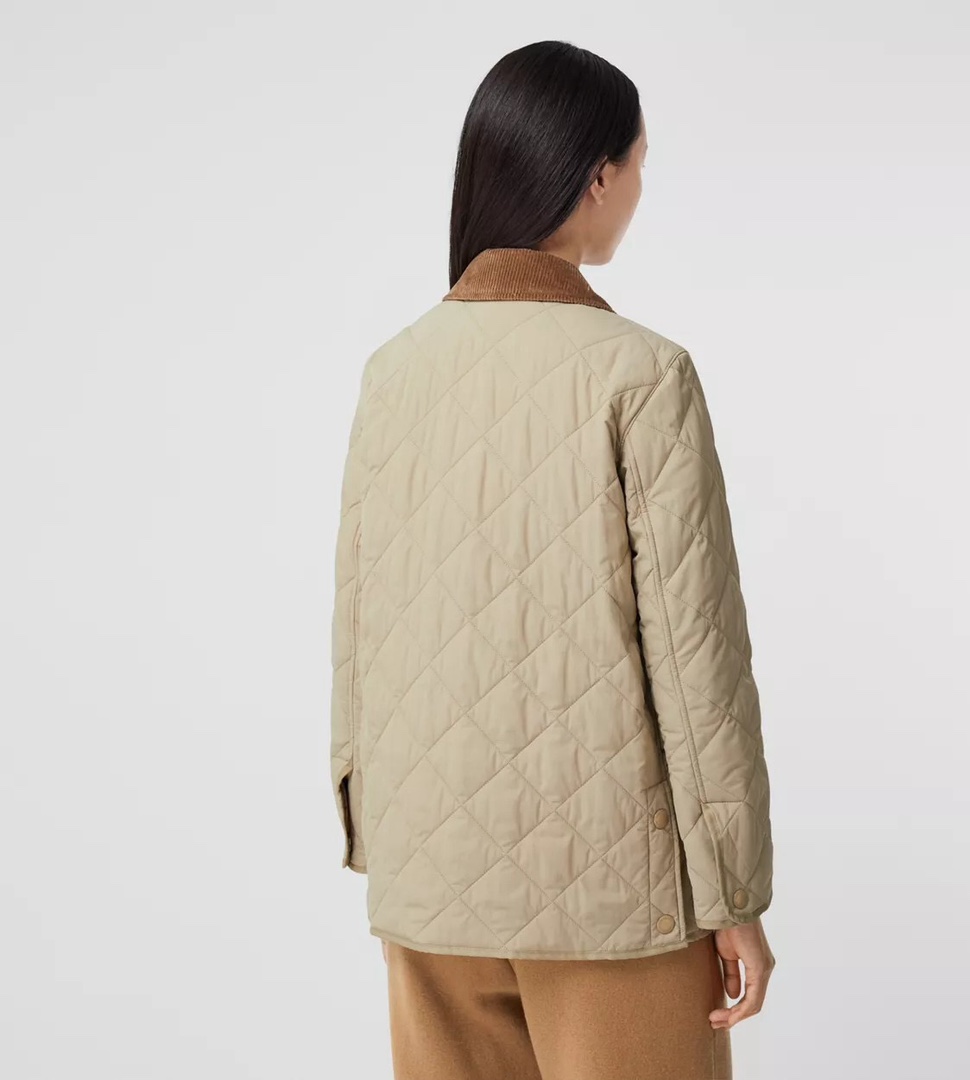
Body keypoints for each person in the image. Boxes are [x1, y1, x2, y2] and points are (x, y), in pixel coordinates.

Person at [329, 39, 776, 1080]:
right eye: (641, 163)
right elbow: (697, 664)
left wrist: (382, 849)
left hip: (429, 891)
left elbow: (359, 629)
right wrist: (735, 897)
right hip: (614, 903)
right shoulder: (642, 374)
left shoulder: (393, 372)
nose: (640, 190)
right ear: (597, 176)